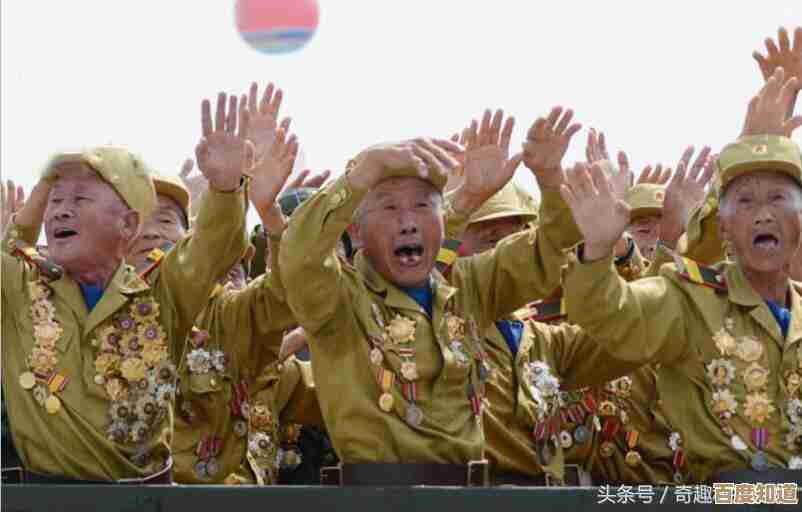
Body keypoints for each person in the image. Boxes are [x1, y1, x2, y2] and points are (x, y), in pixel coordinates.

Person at [278, 105, 591, 486]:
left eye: (423, 205)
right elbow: (299, 253)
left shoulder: (470, 286)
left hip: (471, 496)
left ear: (445, 220)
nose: (408, 221)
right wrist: (360, 174)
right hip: (381, 499)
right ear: (356, 232)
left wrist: (549, 176)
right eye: (390, 206)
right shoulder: (338, 298)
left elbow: (551, 245)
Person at [559, 67, 802, 483]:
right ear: (722, 227)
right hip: (726, 498)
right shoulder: (689, 298)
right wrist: (599, 247)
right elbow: (607, 314)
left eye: (778, 198)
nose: (763, 213)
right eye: (745, 201)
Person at [0, 89, 250, 483]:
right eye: (55, 199)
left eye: (81, 198)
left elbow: (215, 248)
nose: (61, 209)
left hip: (144, 500)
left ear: (129, 225)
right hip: (44, 503)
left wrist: (225, 190)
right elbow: (10, 249)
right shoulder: (18, 284)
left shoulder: (162, 289)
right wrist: (30, 211)